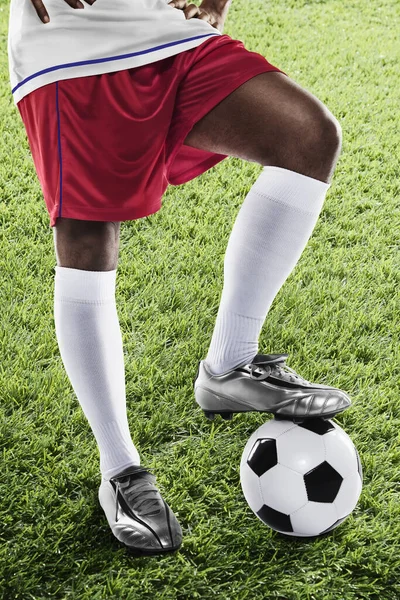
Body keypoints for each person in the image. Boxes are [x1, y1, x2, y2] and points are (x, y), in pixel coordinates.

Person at [8, 0, 351, 556]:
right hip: (71, 47)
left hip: (168, 29)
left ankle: (229, 365)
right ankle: (120, 469)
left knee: (308, 136)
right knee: (89, 241)